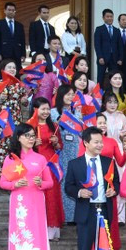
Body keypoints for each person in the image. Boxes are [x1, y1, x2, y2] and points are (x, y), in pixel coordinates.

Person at [0, 123, 54, 250]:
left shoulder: (40, 159)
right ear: (18, 137)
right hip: (19, 204)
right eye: (27, 136)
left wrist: (41, 183)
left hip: (36, 201)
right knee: (20, 238)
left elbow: (50, 182)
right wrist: (15, 184)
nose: (31, 139)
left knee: (36, 238)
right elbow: (2, 182)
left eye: (32, 136)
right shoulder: (11, 158)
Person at [64, 127, 120, 250]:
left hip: (104, 210)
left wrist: (113, 191)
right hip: (86, 211)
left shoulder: (109, 162)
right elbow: (68, 187)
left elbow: (117, 183)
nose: (100, 145)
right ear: (86, 143)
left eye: (101, 142)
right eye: (96, 142)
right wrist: (79, 192)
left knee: (105, 248)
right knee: (84, 249)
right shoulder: (75, 164)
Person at [0, 59, 28, 180]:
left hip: (16, 119)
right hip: (2, 121)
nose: (12, 69)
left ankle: (15, 176)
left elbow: (25, 102)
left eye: (14, 68)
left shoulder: (19, 85)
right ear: (3, 70)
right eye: (9, 67)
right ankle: (2, 177)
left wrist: (24, 101)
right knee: (2, 148)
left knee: (15, 146)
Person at [31, 97, 64, 240]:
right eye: (42, 109)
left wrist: (56, 143)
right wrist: (33, 144)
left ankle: (52, 230)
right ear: (35, 110)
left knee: (51, 194)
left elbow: (59, 147)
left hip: (50, 163)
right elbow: (20, 147)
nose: (45, 112)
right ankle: (36, 228)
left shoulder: (54, 125)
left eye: (47, 109)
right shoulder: (29, 126)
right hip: (35, 162)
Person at [96, 112, 126, 250]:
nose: (103, 125)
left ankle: (111, 244)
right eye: (100, 123)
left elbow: (120, 162)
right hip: (94, 181)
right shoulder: (86, 141)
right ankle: (95, 245)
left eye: (104, 122)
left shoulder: (112, 141)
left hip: (109, 181)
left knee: (111, 213)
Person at [50, 85, 81, 224]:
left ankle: (74, 216)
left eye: (72, 94)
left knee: (73, 180)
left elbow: (80, 131)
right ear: (61, 95)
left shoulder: (77, 112)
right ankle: (62, 216)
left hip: (74, 150)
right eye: (67, 94)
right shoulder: (53, 112)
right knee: (61, 180)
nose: (70, 97)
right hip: (60, 151)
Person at [0, 2, 26, 81]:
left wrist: (23, 54)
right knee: (2, 74)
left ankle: (16, 91)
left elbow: (23, 40)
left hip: (16, 54)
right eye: (9, 10)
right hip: (3, 54)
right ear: (5, 11)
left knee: (17, 74)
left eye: (13, 10)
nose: (11, 12)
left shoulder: (19, 25)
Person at [94, 8, 122, 85]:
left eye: (111, 16)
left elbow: (120, 46)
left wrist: (120, 58)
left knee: (114, 77)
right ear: (103, 18)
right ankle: (99, 95)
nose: (110, 18)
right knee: (101, 77)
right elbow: (97, 44)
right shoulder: (99, 29)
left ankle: (112, 94)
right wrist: (100, 57)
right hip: (103, 58)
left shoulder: (117, 30)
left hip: (114, 58)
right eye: (107, 16)